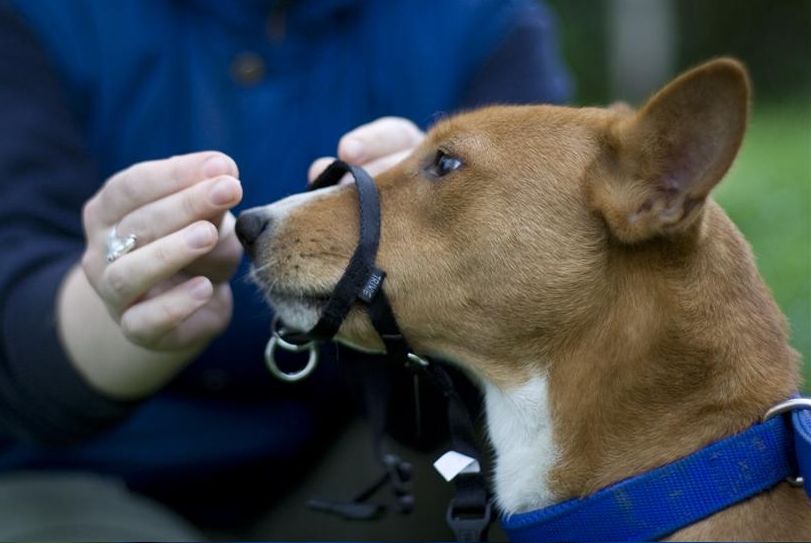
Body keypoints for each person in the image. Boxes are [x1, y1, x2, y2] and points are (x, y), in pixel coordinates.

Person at [0, 0, 571, 539]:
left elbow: (563, 324)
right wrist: (115, 307)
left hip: (365, 470)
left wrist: (439, 223)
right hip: (77, 478)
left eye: (445, 166)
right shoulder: (41, 17)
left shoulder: (480, 20)